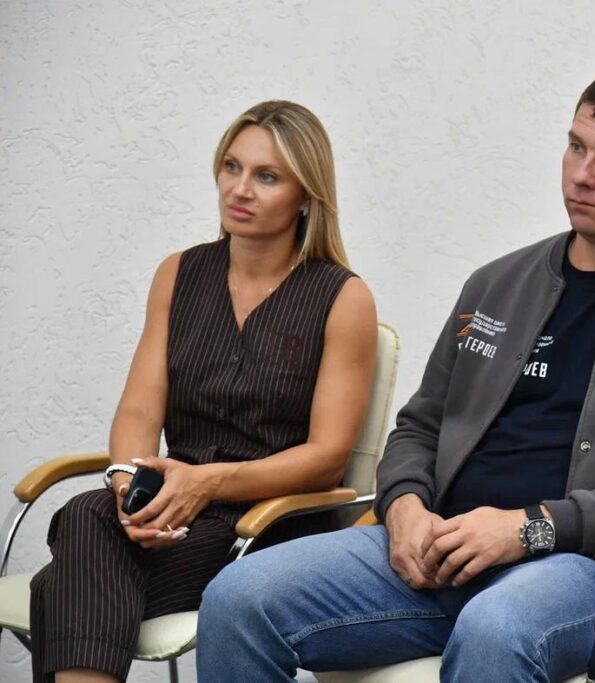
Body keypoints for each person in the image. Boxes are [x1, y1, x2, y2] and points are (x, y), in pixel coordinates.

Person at [198, 68, 595, 682]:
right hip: (439, 545)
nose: (582, 174)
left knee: (496, 628)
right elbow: (420, 427)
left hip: (585, 569)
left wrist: (530, 529)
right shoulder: (498, 283)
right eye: (576, 146)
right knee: (237, 598)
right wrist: (404, 508)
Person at [28, 100, 377, 683]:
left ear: (306, 196)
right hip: (172, 507)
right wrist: (127, 489)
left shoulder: (343, 298)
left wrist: (208, 482)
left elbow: (326, 458)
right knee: (92, 513)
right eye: (232, 167)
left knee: (58, 582)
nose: (240, 189)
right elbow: (140, 408)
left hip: (265, 526)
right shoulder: (179, 273)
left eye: (267, 176)